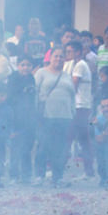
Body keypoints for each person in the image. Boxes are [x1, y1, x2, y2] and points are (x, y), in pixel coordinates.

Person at [34, 49, 75, 186]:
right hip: (46, 115)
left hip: (65, 116)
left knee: (60, 148)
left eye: (61, 56)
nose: (58, 59)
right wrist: (36, 112)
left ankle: (58, 176)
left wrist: (73, 112)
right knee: (43, 145)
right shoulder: (41, 73)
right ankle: (39, 176)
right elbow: (35, 93)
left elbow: (72, 96)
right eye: (56, 56)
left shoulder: (67, 75)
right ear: (50, 58)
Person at [63, 40, 96, 181]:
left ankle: (59, 168)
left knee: (71, 137)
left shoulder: (80, 65)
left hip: (80, 106)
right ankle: (89, 171)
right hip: (78, 106)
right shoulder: (73, 64)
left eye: (70, 51)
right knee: (82, 139)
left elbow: (73, 85)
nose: (67, 54)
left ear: (78, 52)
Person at [6, 56, 38, 183]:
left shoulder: (31, 79)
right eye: (23, 65)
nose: (25, 68)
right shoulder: (12, 79)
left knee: (27, 148)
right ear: (18, 66)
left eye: (28, 65)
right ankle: (14, 175)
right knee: (15, 148)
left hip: (29, 119)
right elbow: (10, 99)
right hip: (16, 118)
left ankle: (26, 175)